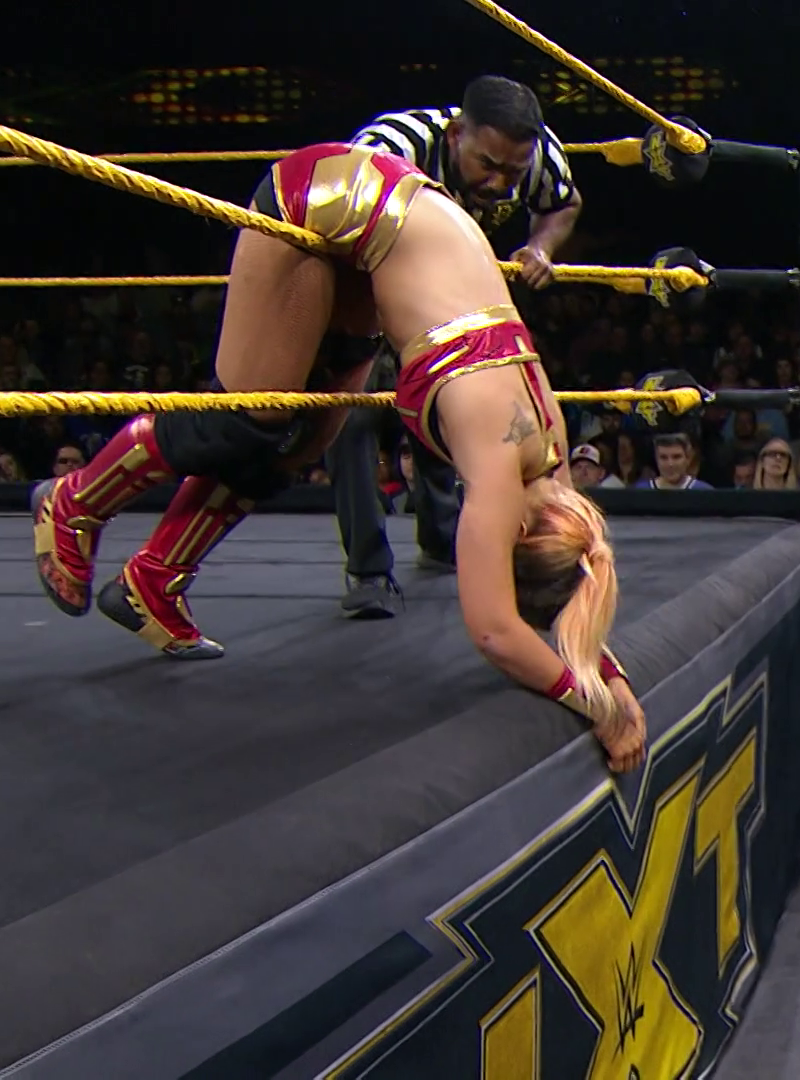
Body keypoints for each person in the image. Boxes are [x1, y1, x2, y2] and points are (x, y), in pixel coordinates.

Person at [34, 140, 644, 772]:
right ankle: (75, 501)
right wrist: (597, 706)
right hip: (330, 194)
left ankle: (154, 577)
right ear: (512, 535)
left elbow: (576, 577)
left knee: (305, 441)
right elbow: (495, 630)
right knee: (251, 416)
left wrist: (610, 678)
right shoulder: (499, 463)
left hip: (385, 230)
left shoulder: (556, 479)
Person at [331, 75, 584, 618]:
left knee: (455, 410)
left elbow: (563, 203)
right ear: (454, 135)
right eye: (487, 165)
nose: (498, 182)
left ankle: (442, 536)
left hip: (451, 306)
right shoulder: (388, 149)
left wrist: (540, 246)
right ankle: (368, 570)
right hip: (365, 288)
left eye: (512, 172)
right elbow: (336, 233)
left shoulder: (537, 154)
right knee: (350, 421)